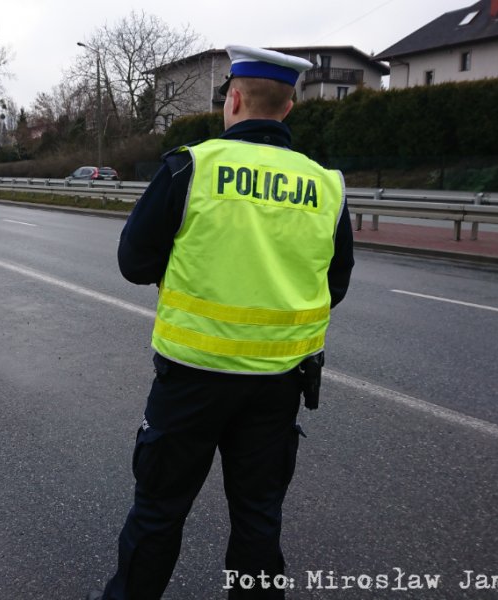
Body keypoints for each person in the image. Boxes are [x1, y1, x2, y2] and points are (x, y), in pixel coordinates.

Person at [90, 46, 355, 600]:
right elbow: (334, 285)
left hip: (191, 378)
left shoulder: (191, 166)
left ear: (233, 97)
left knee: (159, 512)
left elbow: (134, 263)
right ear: (288, 107)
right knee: (258, 521)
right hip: (278, 386)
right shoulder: (326, 186)